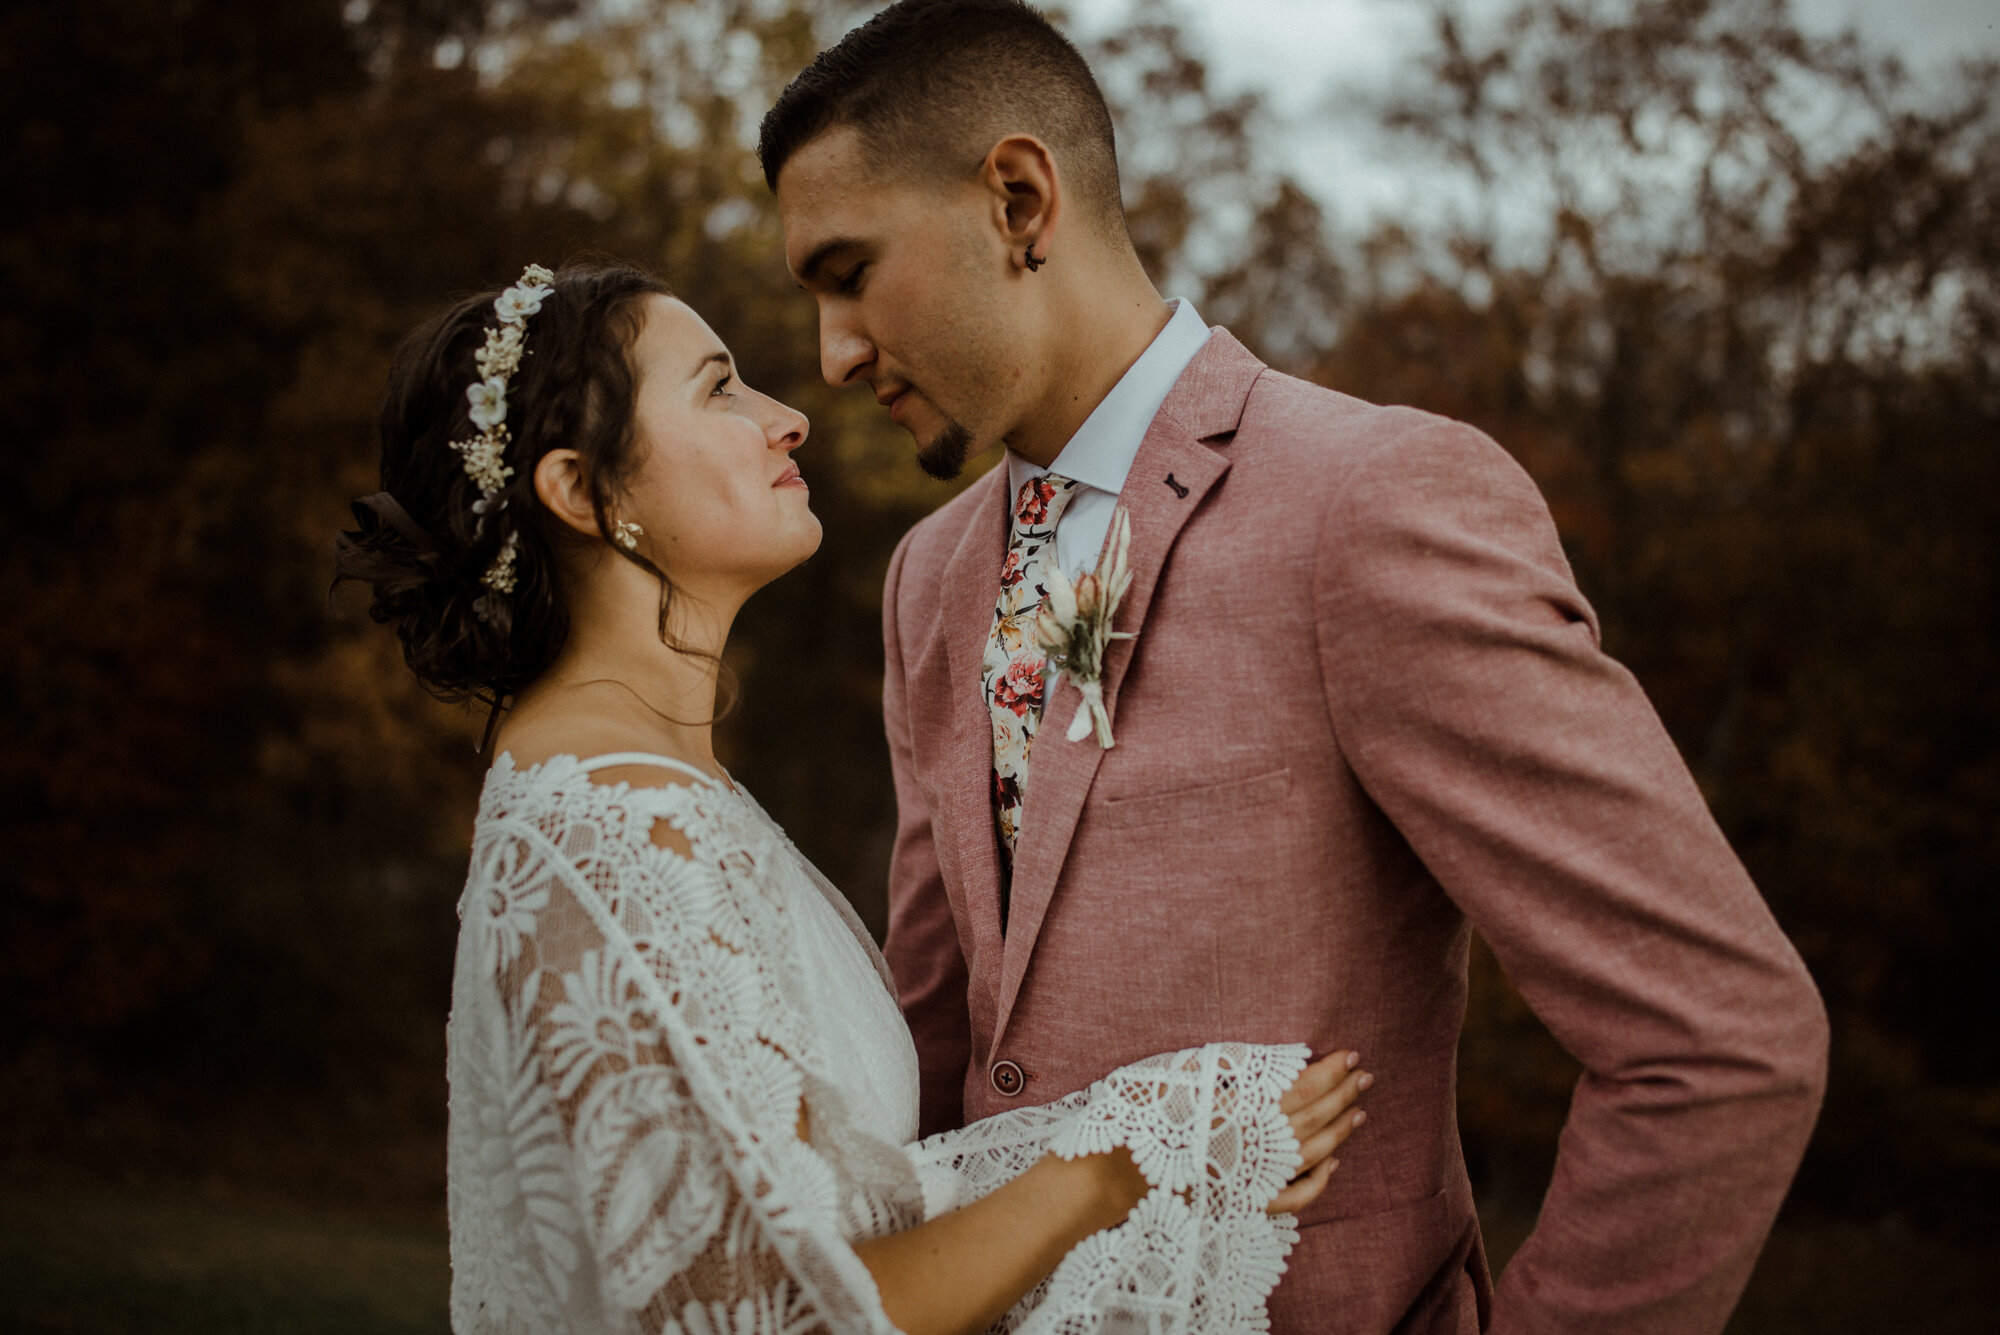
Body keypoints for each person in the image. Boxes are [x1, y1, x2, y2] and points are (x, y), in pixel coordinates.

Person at [757, 2, 1831, 1332]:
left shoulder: (1371, 503)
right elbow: (938, 1039)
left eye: (849, 272)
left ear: (1020, 199)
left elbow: (1718, 1036)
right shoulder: (931, 575)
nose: (834, 354)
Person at [335, 261, 1373, 1334]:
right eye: (717, 389)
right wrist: (1112, 1169)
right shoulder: (615, 837)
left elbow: (826, 1206)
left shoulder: (653, 795)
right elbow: (777, 1312)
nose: (787, 419)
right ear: (582, 492)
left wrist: (1158, 1121)